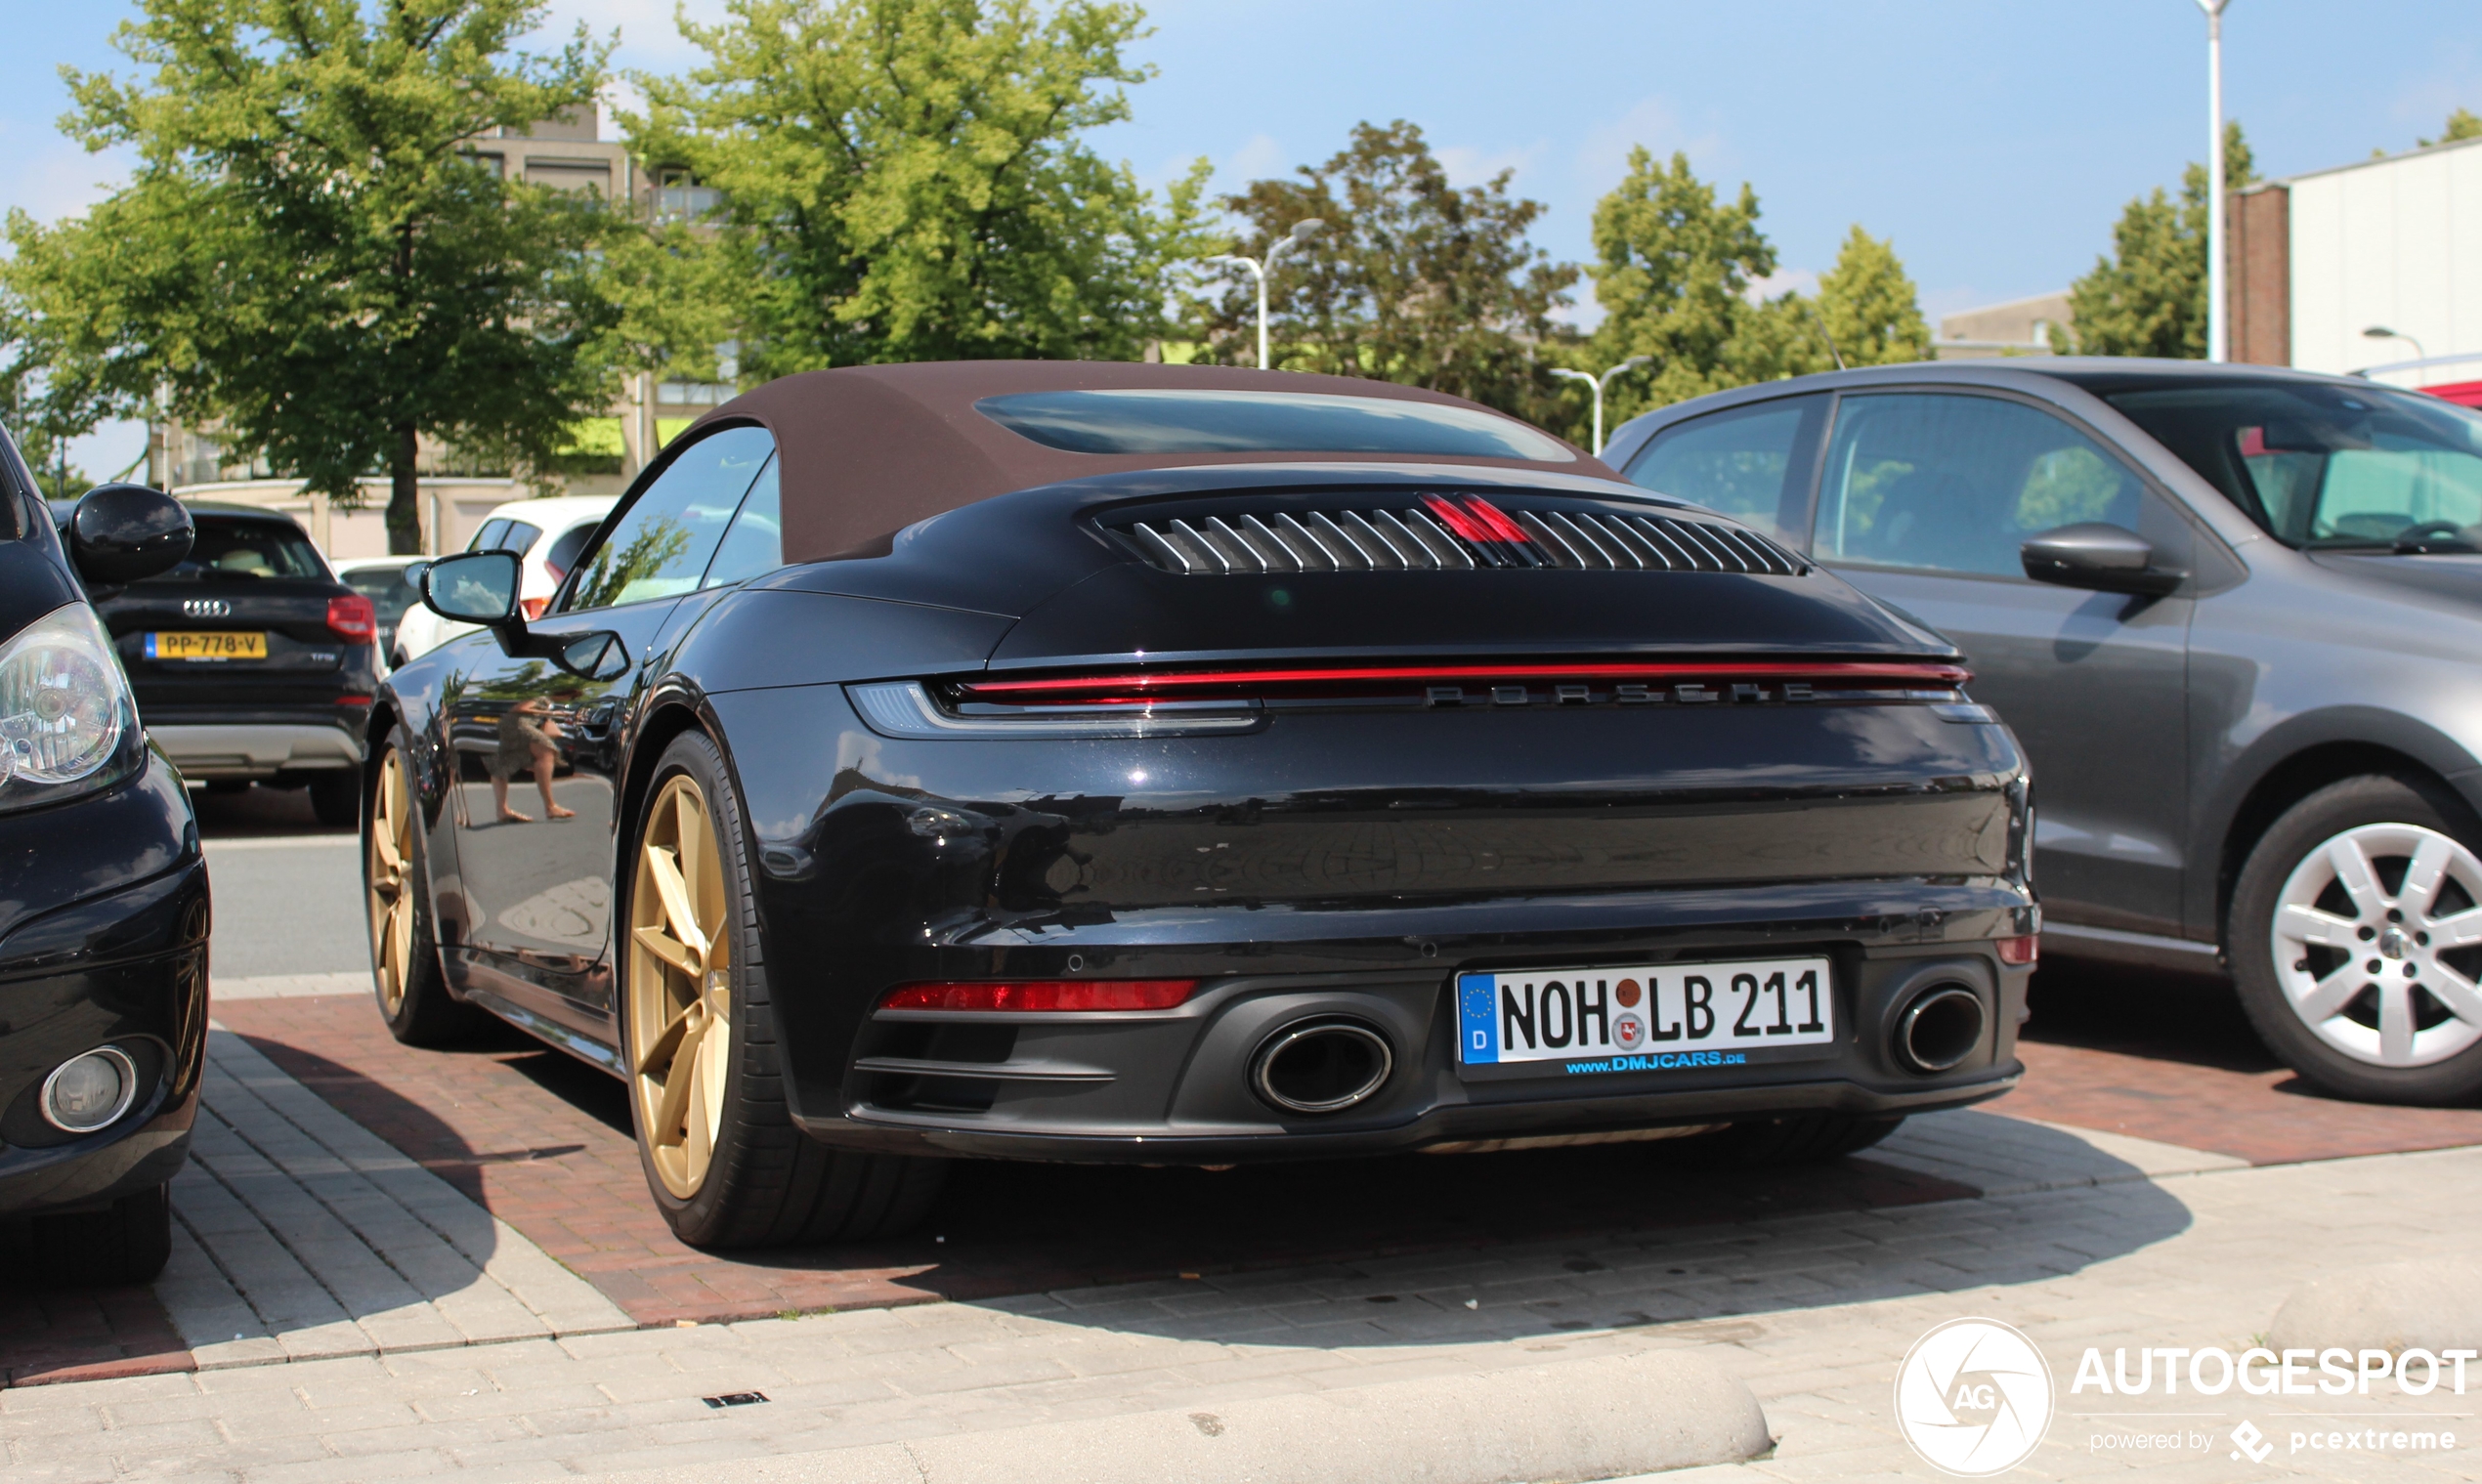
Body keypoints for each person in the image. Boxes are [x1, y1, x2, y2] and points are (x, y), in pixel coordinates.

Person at [488, 696, 575, 824]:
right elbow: (520, 708)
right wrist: (552, 713)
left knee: (503, 764)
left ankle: (502, 810)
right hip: (518, 724)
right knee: (546, 751)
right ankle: (550, 806)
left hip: (508, 725)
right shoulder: (543, 698)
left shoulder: (546, 702)